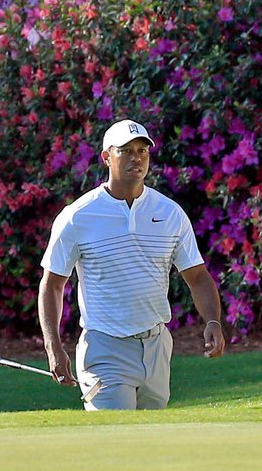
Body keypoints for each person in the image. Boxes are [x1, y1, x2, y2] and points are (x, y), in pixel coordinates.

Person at [38, 119, 226, 410]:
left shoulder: (169, 213)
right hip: (105, 347)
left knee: (153, 445)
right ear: (106, 157)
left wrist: (213, 321)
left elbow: (198, 276)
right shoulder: (77, 216)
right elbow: (52, 285)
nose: (136, 157)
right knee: (115, 444)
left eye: (142, 150)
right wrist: (53, 346)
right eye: (125, 151)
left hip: (157, 346)